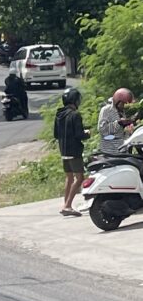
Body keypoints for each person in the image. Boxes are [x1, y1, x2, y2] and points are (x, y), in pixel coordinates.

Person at [53, 88, 89, 216]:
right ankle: (68, 206)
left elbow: (56, 134)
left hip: (63, 150)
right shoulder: (75, 115)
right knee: (79, 178)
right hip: (74, 151)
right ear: (75, 101)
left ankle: (65, 204)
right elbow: (79, 134)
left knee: (69, 178)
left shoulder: (59, 115)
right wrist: (87, 134)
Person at [98, 88, 136, 154]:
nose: (124, 106)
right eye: (123, 104)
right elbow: (102, 129)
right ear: (117, 101)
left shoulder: (123, 112)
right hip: (109, 150)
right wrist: (119, 123)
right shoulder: (106, 110)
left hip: (122, 149)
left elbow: (122, 133)